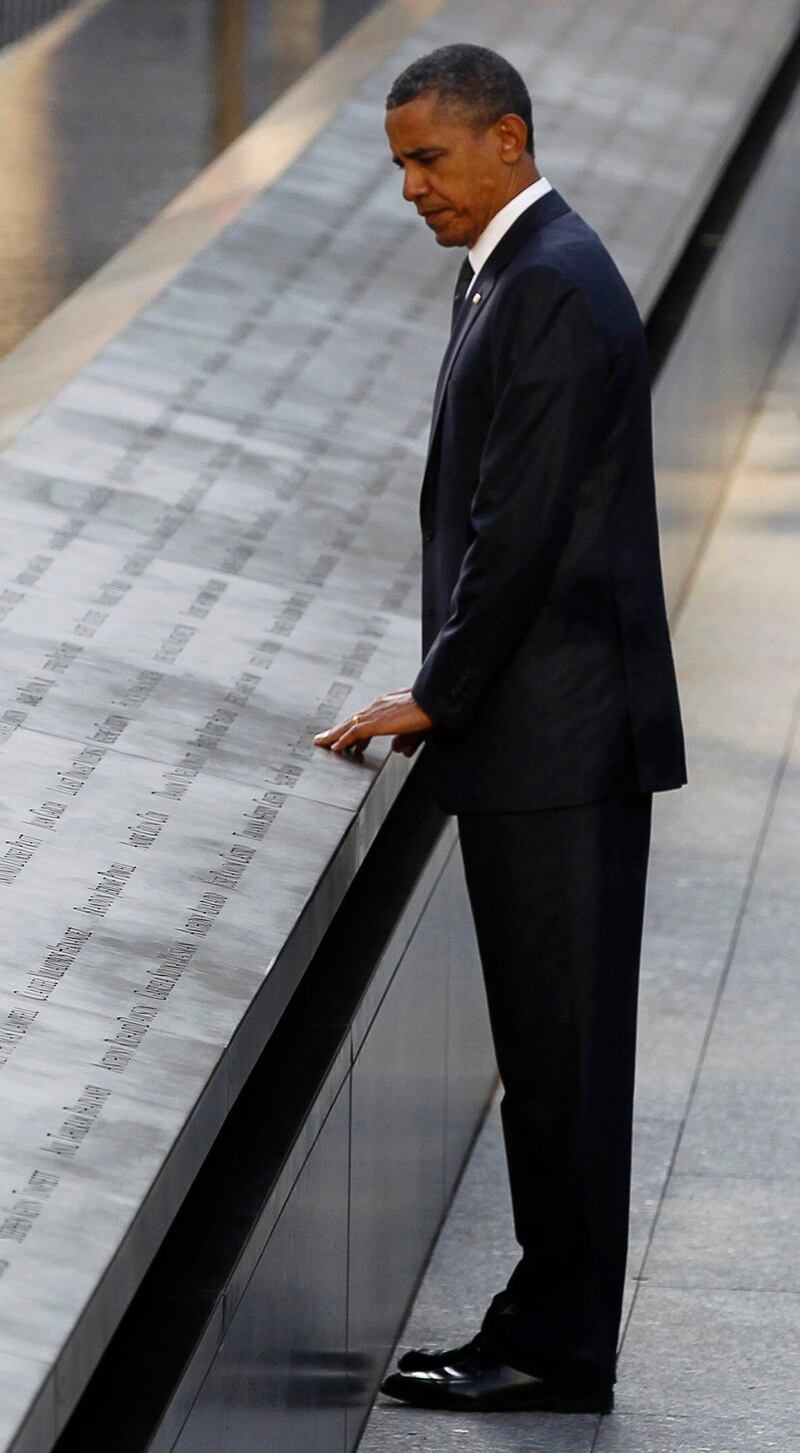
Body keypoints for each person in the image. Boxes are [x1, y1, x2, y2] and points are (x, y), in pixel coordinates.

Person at [315, 43, 686, 1414]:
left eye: (430, 158)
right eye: (401, 164)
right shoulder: (529, 271)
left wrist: (439, 687)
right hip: (552, 738)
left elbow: (514, 531)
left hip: (558, 744)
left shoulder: (546, 286)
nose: (412, 188)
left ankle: (553, 1342)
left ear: (509, 140)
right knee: (552, 1058)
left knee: (563, 1062)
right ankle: (546, 1318)